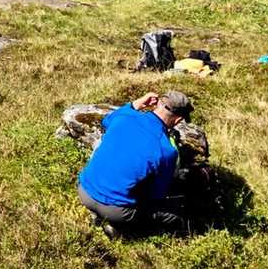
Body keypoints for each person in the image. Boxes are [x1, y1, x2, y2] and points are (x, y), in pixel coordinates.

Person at [77, 91, 193, 238]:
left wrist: (137, 103)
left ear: (157, 103)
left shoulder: (125, 117)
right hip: (116, 211)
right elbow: (157, 195)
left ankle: (98, 216)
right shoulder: (166, 150)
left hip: (85, 191)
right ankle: (123, 230)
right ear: (178, 120)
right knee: (174, 216)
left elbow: (106, 120)